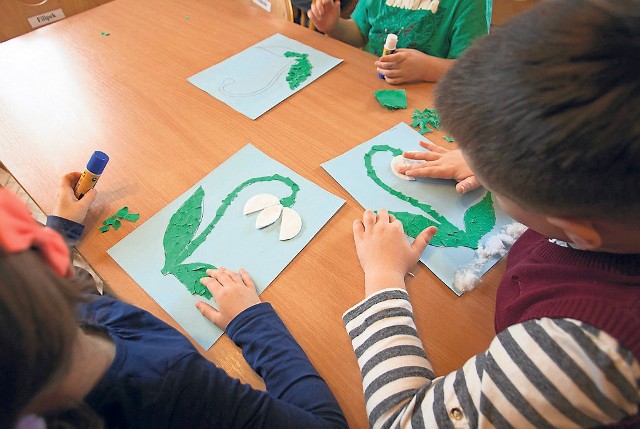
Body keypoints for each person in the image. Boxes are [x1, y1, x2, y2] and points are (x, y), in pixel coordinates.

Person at [344, 0, 640, 427]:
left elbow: (399, 419)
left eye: (497, 185)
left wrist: (384, 278)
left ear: (575, 229)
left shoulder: (580, 357)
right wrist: (494, 159)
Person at [0, 173, 348, 429]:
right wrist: (252, 321)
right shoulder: (164, 384)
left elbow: (69, 292)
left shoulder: (43, 339)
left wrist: (59, 231)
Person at [308, 0, 491, 83]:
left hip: (422, 100)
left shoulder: (472, 3)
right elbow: (360, 33)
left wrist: (426, 69)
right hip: (366, 84)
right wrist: (333, 27)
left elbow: (471, 71)